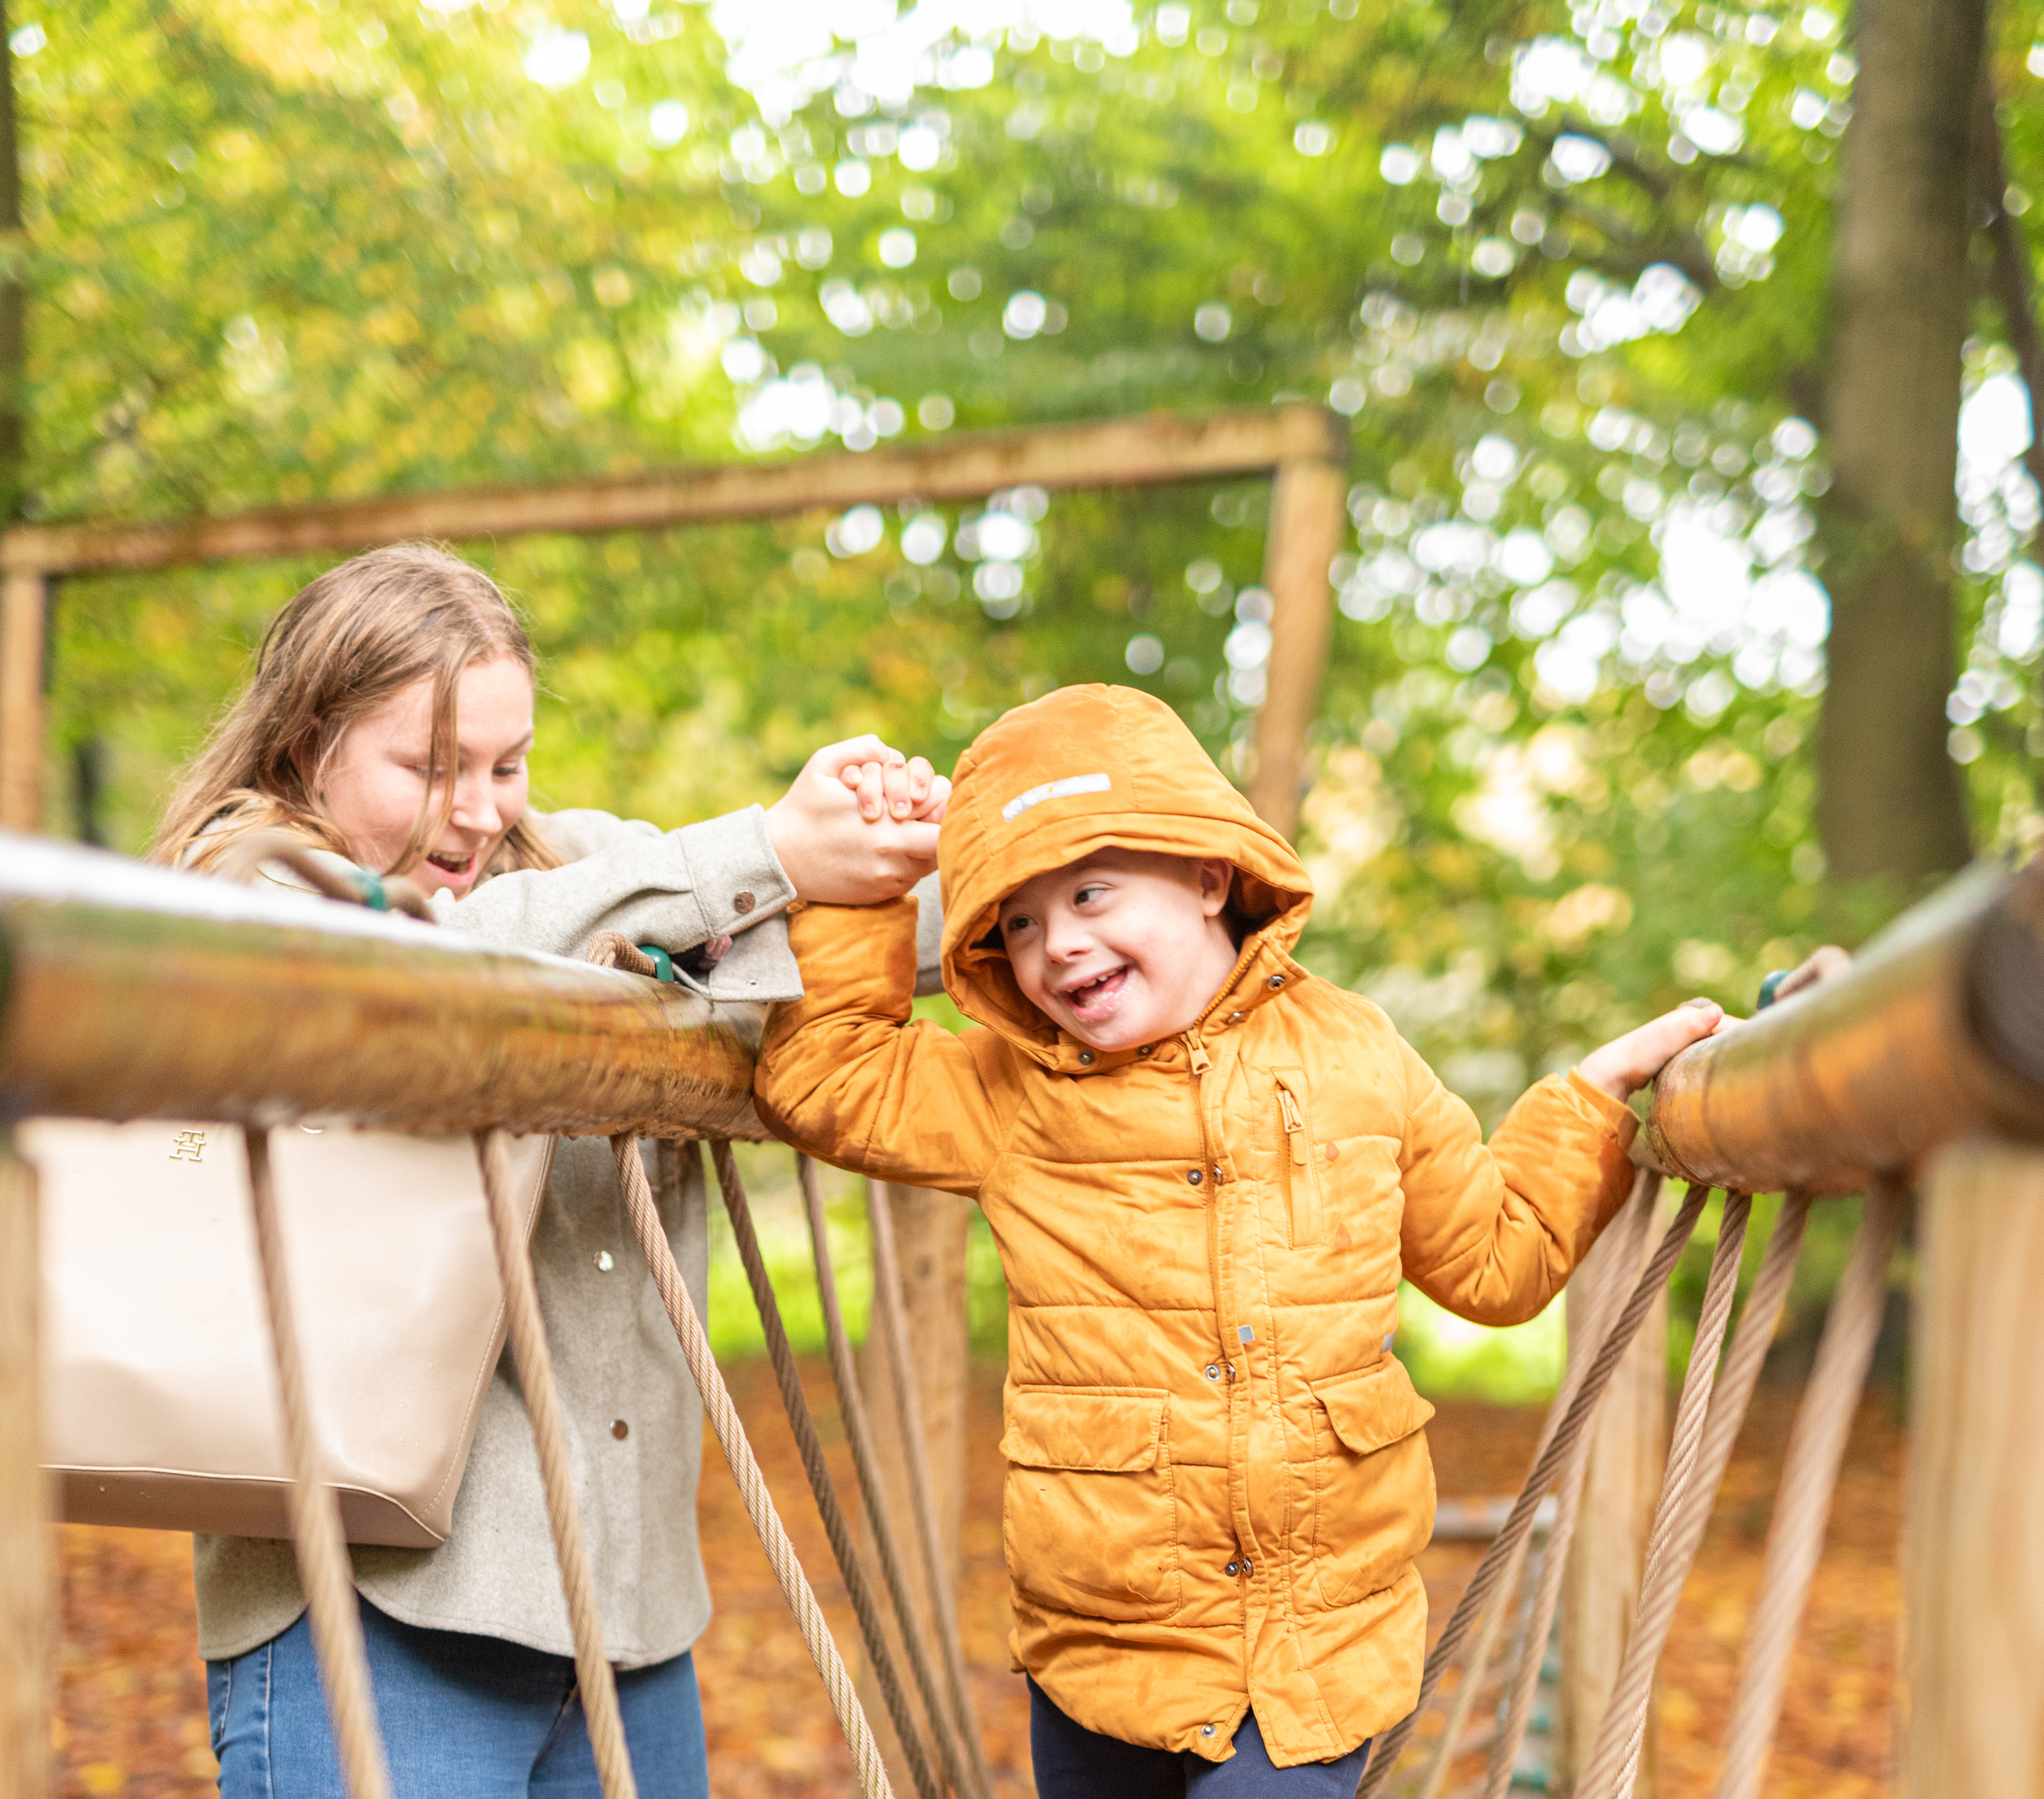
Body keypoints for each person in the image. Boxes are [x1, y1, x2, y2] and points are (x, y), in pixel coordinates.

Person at [754, 683, 1726, 1796]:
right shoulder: (1012, 1092)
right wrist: (868, 882)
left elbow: (1496, 1263)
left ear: (1208, 874)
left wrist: (1586, 1104)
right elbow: (825, 1077)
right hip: (1098, 1648)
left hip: (1311, 1654)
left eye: (1091, 892)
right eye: (1017, 924)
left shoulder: (1354, 1053)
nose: (1059, 945)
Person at [152, 542, 947, 1799]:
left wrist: (953, 853)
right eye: (427, 767)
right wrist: (760, 856)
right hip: (376, 1612)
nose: (476, 811)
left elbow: (818, 925)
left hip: (625, 1627)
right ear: (308, 744)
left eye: (505, 765)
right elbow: (420, 966)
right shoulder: (244, 879)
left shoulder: (565, 866)